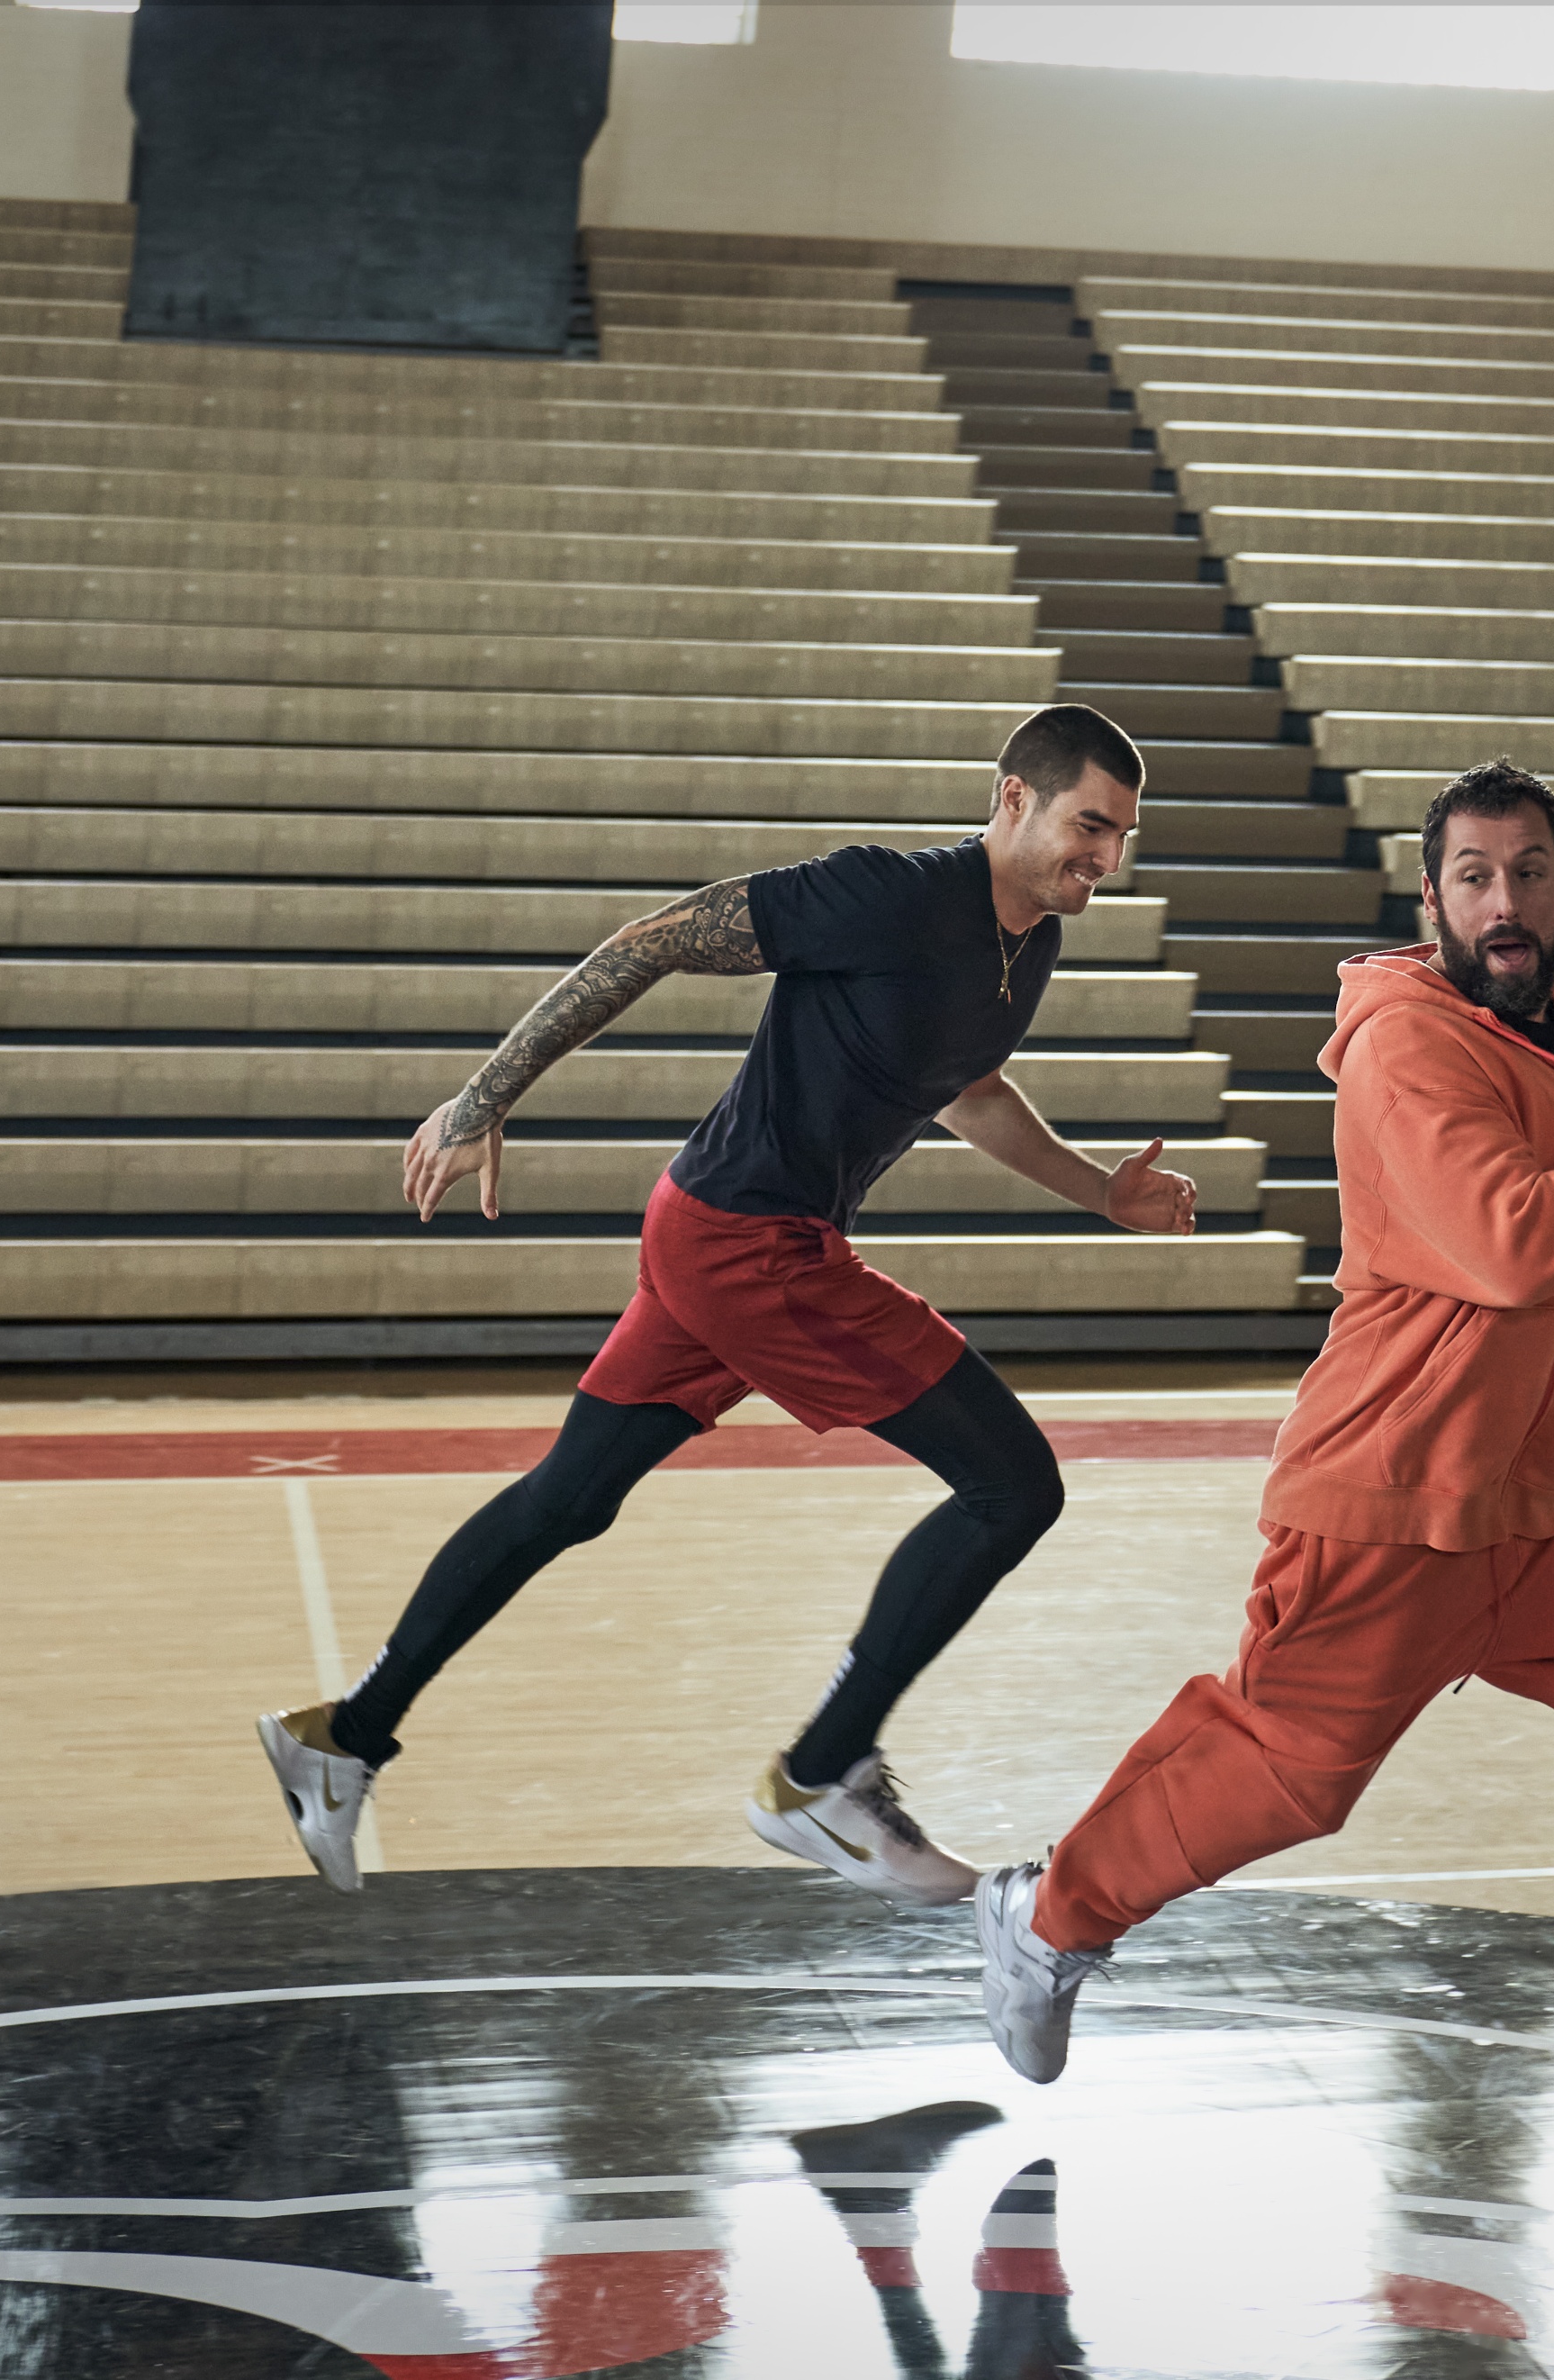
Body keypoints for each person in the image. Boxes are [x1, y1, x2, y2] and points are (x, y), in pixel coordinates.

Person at [970, 758, 1554, 2130]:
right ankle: (1047, 1917)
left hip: (1545, 1488)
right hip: (1397, 1485)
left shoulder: (1552, 1023)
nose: (1502, 901)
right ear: (1431, 900)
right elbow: (1509, 1242)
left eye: (1527, 873)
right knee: (1288, 1777)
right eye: (1472, 877)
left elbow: (1550, 1260)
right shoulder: (1408, 1041)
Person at [259, 704, 1198, 1908]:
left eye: (1119, 837)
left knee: (569, 1499)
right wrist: (485, 1095)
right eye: (1086, 826)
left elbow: (962, 1088)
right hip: (754, 1244)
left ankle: (342, 1738)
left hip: (714, 1228)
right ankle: (819, 1782)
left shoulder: (1026, 944)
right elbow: (651, 939)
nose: (1103, 860)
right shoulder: (889, 894)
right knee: (1012, 1485)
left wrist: (1098, 1194)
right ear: (1009, 798)